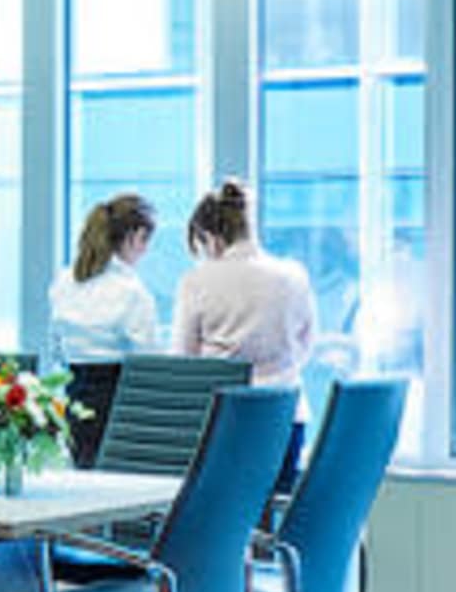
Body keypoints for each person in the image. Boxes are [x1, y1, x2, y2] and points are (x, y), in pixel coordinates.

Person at [47, 192, 171, 464]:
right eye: (145, 241)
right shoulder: (131, 291)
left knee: (84, 472)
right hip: (117, 400)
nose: (145, 251)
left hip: (75, 395)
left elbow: (56, 349)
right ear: (133, 236)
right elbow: (150, 358)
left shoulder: (65, 281)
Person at [169, 177, 318, 387]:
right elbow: (305, 346)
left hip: (224, 413)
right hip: (286, 411)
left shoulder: (196, 281)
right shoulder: (294, 275)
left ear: (210, 237)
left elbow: (184, 360)